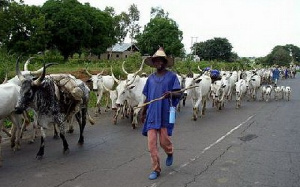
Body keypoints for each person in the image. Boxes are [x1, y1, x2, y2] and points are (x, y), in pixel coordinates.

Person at [141, 47, 182, 180]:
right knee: (151, 145)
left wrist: (171, 93)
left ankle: (170, 152)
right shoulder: (150, 79)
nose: (158, 63)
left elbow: (180, 93)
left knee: (164, 142)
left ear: (165, 62)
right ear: (153, 63)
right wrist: (143, 112)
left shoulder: (172, 77)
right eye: (156, 61)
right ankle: (156, 169)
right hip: (152, 114)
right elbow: (147, 96)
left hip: (164, 113)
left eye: (161, 61)